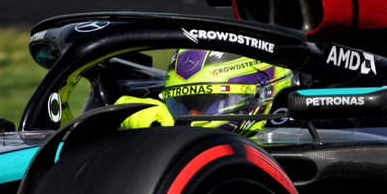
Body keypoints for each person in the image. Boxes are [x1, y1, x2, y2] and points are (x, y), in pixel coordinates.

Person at [115, 49, 293, 135]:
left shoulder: (302, 135)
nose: (192, 116)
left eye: (211, 102)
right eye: (184, 104)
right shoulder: (163, 125)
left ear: (262, 94)